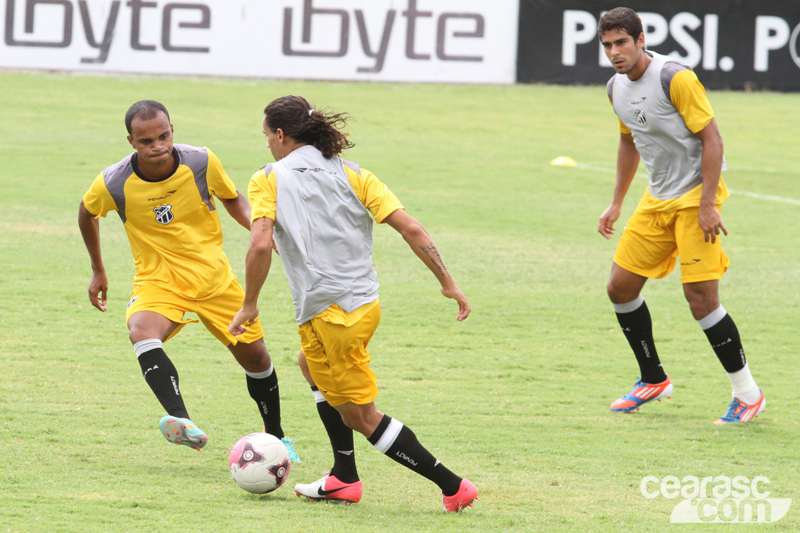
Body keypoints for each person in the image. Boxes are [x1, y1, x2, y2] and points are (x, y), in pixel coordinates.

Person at [229, 95, 478, 511]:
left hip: (330, 316)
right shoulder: (354, 173)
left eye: (266, 136)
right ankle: (343, 477)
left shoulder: (269, 177)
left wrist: (250, 303)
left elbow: (259, 243)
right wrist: (447, 282)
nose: (267, 144)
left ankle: (453, 486)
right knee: (309, 365)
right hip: (363, 305)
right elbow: (411, 228)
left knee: (363, 418)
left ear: (280, 134)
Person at [78, 100, 300, 459]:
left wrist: (262, 233)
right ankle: (180, 419)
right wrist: (98, 268)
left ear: (172, 131)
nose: (158, 147)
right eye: (146, 141)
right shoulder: (114, 181)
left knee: (257, 359)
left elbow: (232, 199)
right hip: (159, 282)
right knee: (141, 331)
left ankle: (276, 436)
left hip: (214, 281)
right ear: (131, 141)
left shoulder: (201, 161)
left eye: (163, 136)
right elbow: (87, 212)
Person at [597, 8, 765, 423]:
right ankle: (652, 378)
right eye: (607, 46)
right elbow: (628, 142)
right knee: (620, 288)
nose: (614, 52)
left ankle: (748, 393)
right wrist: (616, 201)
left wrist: (708, 203)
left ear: (640, 39)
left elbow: (713, 139)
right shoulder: (614, 88)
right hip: (657, 199)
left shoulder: (675, 77)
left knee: (701, 299)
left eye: (621, 42)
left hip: (695, 198)